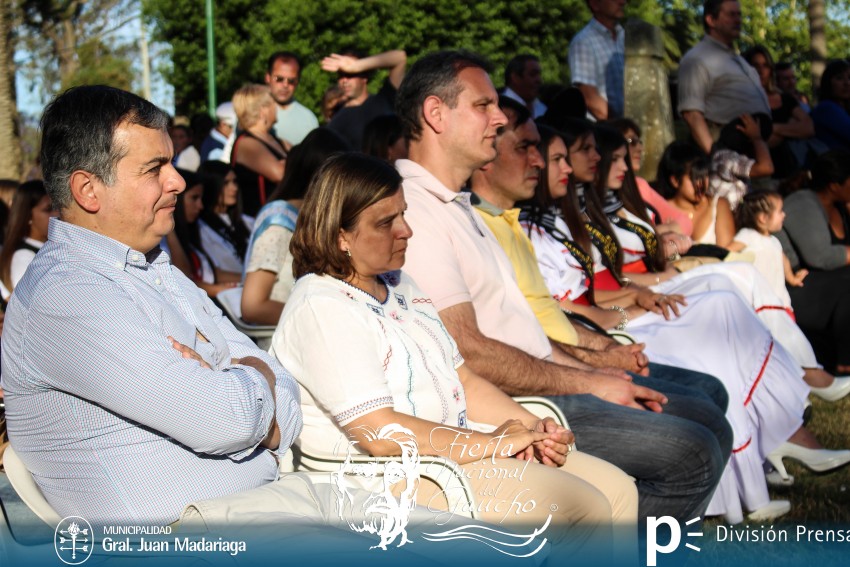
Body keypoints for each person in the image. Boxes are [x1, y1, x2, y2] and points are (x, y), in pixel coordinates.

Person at [396, 49, 731, 521]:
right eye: (483, 106)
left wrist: (596, 369)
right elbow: (468, 353)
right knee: (694, 450)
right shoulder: (414, 208)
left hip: (538, 383)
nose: (499, 119)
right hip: (512, 406)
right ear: (435, 113)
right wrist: (588, 381)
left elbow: (526, 333)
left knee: (707, 416)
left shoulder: (457, 207)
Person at [271, 151, 638, 558]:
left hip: (455, 456)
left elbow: (463, 381)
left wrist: (535, 429)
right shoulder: (322, 306)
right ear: (341, 236)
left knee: (618, 490)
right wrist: (491, 443)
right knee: (581, 509)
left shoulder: (400, 284)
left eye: (403, 214)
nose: (406, 230)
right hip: (386, 481)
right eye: (386, 222)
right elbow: (380, 434)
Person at [0, 85, 301, 525]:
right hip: (175, 544)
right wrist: (256, 376)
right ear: (88, 190)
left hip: (250, 519)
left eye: (171, 164)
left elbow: (285, 400)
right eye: (154, 168)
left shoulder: (153, 268)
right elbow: (228, 419)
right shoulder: (66, 294)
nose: (177, 181)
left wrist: (242, 393)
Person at [520, 122, 850, 522]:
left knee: (727, 297)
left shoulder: (564, 216)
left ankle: (783, 426)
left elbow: (596, 287)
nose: (581, 163)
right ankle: (783, 424)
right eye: (566, 156)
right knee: (720, 314)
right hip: (600, 333)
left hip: (608, 321)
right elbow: (571, 308)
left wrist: (642, 293)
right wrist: (632, 308)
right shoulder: (534, 228)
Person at [241, 128, 350, 326]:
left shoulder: (315, 216)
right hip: (284, 334)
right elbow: (253, 307)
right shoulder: (279, 221)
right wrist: (324, 318)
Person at [776, 150, 850, 374]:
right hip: (799, 285)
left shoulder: (841, 205)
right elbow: (821, 257)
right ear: (834, 186)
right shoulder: (803, 203)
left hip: (829, 285)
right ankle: (845, 363)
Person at [678, 0, 770, 154]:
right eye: (731, 15)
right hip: (725, 148)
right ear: (711, 20)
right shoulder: (697, 58)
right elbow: (691, 114)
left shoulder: (739, 60)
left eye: (739, 15)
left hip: (752, 149)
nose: (738, 20)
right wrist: (716, 155)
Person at [742, 45, 815, 179]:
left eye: (765, 65)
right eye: (755, 65)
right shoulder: (740, 100)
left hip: (789, 171)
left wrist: (770, 128)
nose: (761, 71)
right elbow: (749, 145)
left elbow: (808, 128)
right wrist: (790, 127)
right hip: (757, 173)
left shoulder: (784, 99)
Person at [165, 170, 240, 298]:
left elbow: (211, 273)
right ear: (177, 200)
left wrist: (247, 279)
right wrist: (217, 290)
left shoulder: (192, 233)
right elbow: (183, 277)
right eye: (194, 198)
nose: (200, 206)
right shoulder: (165, 238)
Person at [324, 49, 407, 149]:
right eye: (341, 75)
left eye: (350, 74)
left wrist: (356, 65)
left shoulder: (384, 100)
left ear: (365, 77)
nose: (344, 80)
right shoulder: (336, 119)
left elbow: (400, 58)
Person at [231, 83, 288, 216]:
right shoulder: (246, 143)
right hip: (258, 219)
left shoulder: (274, 139)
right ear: (263, 110)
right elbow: (280, 174)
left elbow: (303, 155)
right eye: (273, 102)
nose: (277, 107)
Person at [568, 0, 625, 121]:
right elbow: (589, 97)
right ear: (595, 4)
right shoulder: (583, 42)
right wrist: (621, 126)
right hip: (604, 129)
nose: (622, 2)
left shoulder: (626, 38)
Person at [0, 181, 56, 302]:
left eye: (57, 207)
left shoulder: (48, 247)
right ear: (28, 216)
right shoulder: (24, 257)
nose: (57, 214)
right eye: (48, 209)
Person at [197, 160, 254, 273]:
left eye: (235, 182)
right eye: (226, 183)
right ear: (211, 186)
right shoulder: (201, 228)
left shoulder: (248, 222)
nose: (234, 188)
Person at [265, 51, 320, 146]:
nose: (285, 85)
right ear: (268, 77)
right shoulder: (250, 113)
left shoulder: (309, 119)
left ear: (297, 81)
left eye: (291, 81)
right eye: (279, 79)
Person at [810, 59, 850, 151]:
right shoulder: (826, 108)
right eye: (839, 78)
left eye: (849, 78)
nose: (847, 83)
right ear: (828, 82)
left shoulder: (843, 109)